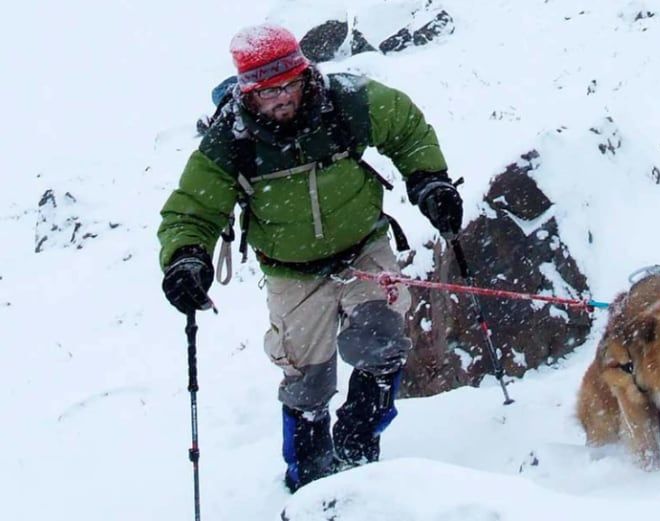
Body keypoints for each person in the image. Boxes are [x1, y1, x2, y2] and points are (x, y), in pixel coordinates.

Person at [157, 23, 463, 492]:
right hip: (292, 272)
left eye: (290, 84)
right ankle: (311, 478)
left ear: (304, 73)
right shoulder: (230, 140)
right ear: (248, 92)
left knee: (382, 342)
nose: (282, 98)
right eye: (268, 91)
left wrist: (430, 181)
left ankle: (359, 444)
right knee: (307, 381)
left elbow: (407, 129)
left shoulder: (346, 102)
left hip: (364, 248)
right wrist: (186, 258)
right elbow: (193, 210)